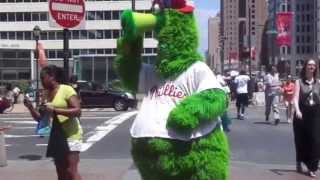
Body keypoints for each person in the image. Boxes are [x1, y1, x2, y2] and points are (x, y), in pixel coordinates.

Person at [23, 65, 83, 180]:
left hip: (71, 134)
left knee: (71, 170)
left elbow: (77, 110)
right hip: (56, 135)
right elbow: (41, 119)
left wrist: (55, 110)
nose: (41, 81)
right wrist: (30, 107)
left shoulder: (66, 89)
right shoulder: (45, 94)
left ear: (52, 77)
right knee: (60, 171)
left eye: (42, 78)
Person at [293, 59, 320, 177]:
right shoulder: (299, 82)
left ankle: (312, 167)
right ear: (305, 67)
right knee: (301, 141)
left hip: (315, 114)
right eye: (309, 65)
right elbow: (295, 98)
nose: (311, 67)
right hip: (302, 114)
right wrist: (297, 110)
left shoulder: (319, 82)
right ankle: (299, 161)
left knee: (315, 141)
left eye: (313, 65)